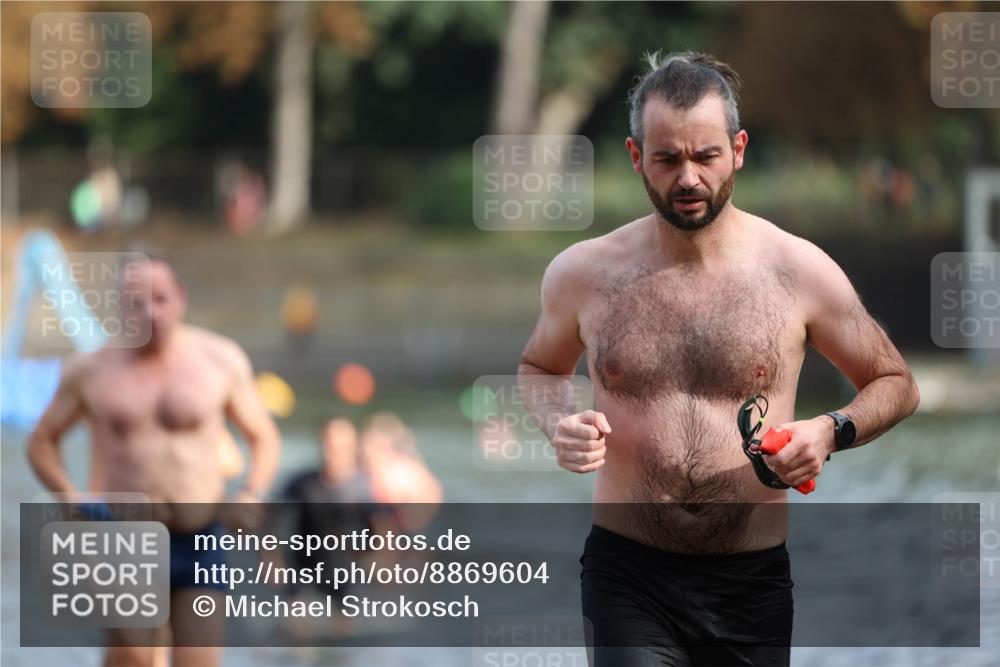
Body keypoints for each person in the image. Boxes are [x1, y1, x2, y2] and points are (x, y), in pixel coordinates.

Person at [517, 51, 920, 667]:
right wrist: (558, 425)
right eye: (667, 158)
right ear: (635, 157)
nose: (688, 179)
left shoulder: (797, 270)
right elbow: (540, 369)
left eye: (705, 156)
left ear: (737, 149)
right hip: (628, 574)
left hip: (750, 585)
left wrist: (830, 430)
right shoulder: (584, 273)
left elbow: (895, 382)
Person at [27, 251, 281, 667]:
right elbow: (41, 441)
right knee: (134, 661)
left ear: (180, 297)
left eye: (161, 299)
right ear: (119, 309)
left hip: (200, 536)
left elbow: (263, 436)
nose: (151, 312)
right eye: (137, 303)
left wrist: (252, 492)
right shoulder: (90, 370)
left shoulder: (220, 359)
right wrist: (69, 495)